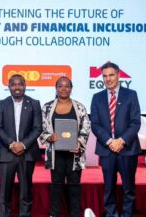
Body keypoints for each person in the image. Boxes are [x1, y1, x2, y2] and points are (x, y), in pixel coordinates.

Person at [90, 62, 141, 217]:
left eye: (111, 75)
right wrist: (110, 141)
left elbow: (135, 122)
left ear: (118, 75)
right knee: (109, 188)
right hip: (107, 150)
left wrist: (121, 141)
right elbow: (95, 124)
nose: (108, 79)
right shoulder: (97, 97)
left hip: (127, 149)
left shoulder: (131, 95)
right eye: (105, 76)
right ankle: (111, 215)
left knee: (128, 189)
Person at [39, 76, 90, 217]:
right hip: (56, 155)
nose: (63, 88)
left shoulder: (79, 107)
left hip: (75, 154)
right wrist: (49, 137)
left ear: (71, 89)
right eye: (60, 86)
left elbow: (86, 127)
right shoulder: (47, 107)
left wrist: (79, 143)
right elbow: (41, 128)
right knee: (56, 186)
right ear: (56, 88)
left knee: (74, 186)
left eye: (67, 86)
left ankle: (75, 214)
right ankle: (54, 214)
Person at [0, 74, 42, 217]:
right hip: (6, 153)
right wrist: (11, 144)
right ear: (8, 86)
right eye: (13, 84)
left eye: (20, 84)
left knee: (26, 192)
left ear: (25, 85)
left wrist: (23, 145)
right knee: (4, 192)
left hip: (27, 154)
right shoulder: (2, 103)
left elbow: (37, 128)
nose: (17, 87)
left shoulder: (34, 103)